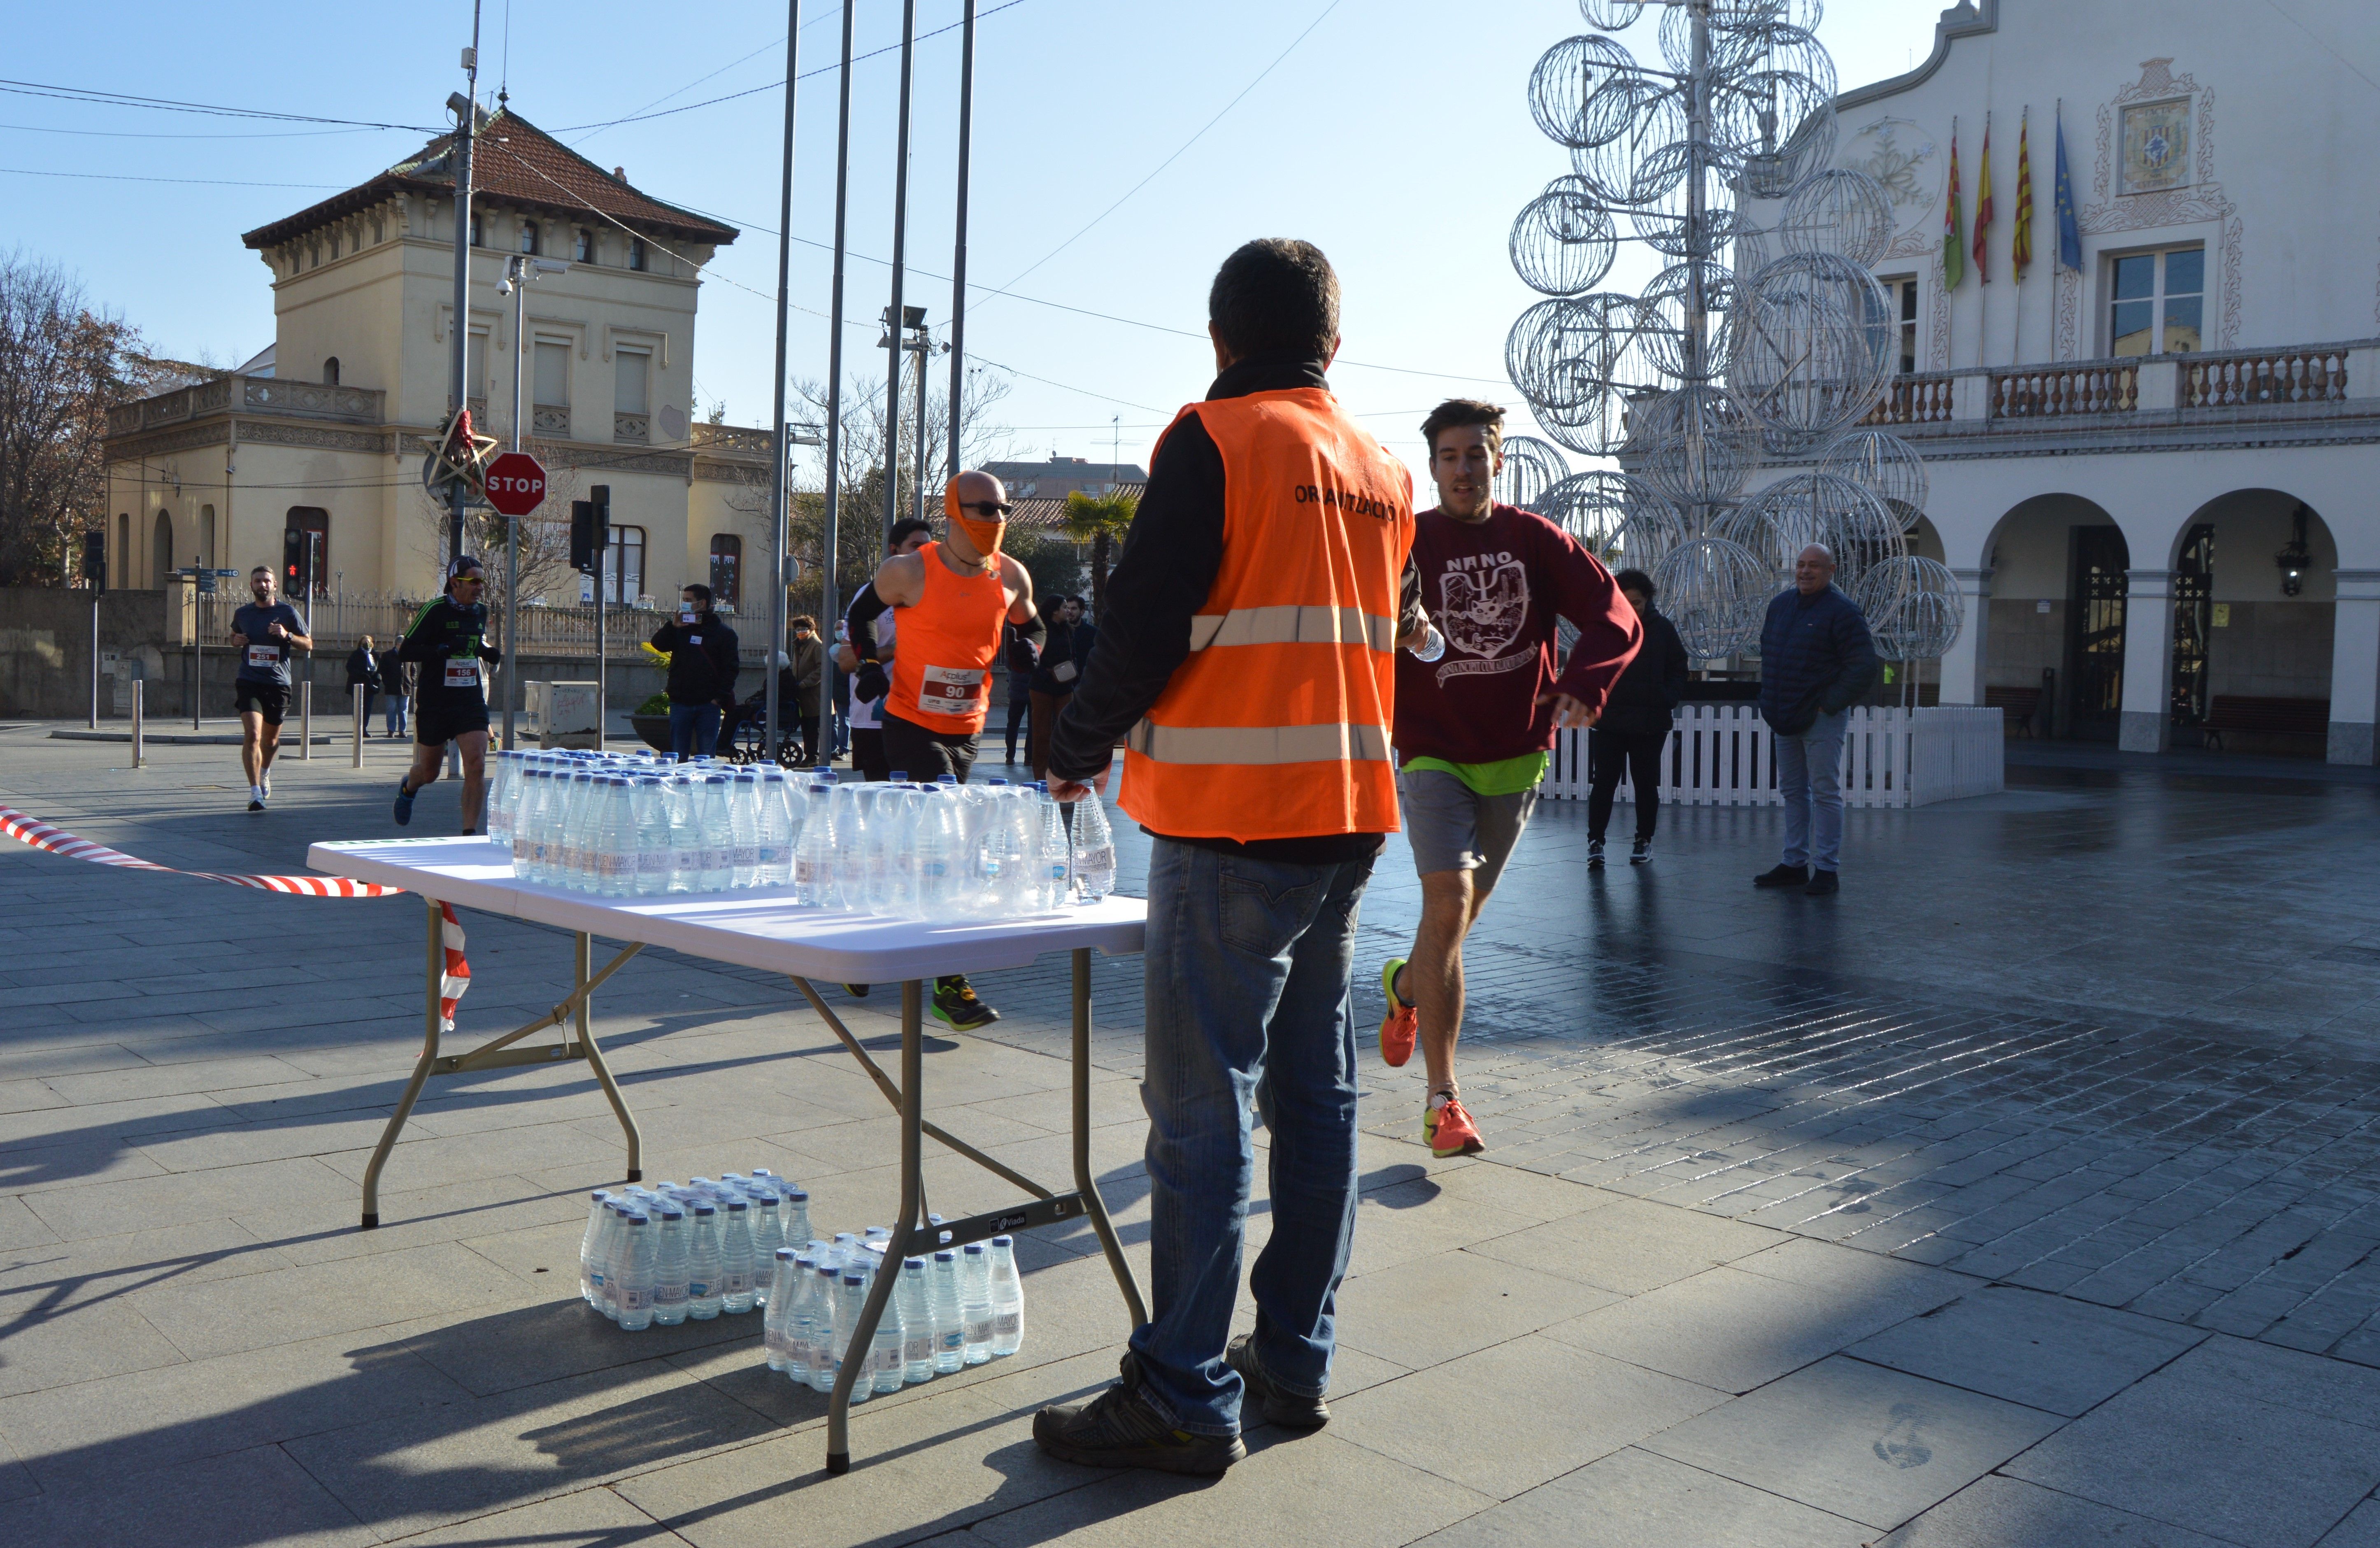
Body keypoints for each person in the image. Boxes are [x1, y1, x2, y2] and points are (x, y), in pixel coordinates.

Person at [1035, 238, 1426, 1474]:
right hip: (1351, 815)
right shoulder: (1381, 466)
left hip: (1230, 822)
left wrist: (1072, 744)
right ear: (1332, 342)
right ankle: (1290, 1358)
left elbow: (1143, 621)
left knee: (1200, 1111)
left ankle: (1181, 1390)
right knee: (1316, 1096)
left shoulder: (1215, 438)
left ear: (1218, 336)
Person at [1377, 400, 1639, 1161]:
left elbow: (1613, 613)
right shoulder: (1409, 541)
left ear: (1498, 460)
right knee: (1448, 901)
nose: (1464, 468)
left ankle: (1404, 992)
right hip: (1430, 749)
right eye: (1450, 456)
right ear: (1432, 467)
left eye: (1477, 454)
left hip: (1517, 752)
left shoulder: (1534, 538)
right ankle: (1442, 1101)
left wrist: (1585, 683)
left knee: (1453, 927)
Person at [839, 475, 1041, 1033]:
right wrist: (874, 667)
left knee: (917, 843)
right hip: (908, 721)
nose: (995, 517)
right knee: (949, 834)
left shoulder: (1011, 574)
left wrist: (1028, 647)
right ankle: (951, 985)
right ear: (953, 511)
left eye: (1004, 508)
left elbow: (1036, 626)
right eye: (983, 508)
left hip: (967, 727)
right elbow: (857, 620)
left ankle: (869, 942)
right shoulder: (909, 571)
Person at [1754, 543, 1878, 897]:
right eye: (1801, 565)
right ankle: (1794, 863)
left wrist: (1828, 705)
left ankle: (1826, 868)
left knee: (1824, 793)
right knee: (1793, 792)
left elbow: (1864, 666)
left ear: (1830, 570)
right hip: (1785, 714)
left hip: (1820, 718)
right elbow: (1769, 653)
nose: (1805, 571)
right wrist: (1769, 699)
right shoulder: (1780, 606)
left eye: (1814, 566)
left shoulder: (1843, 612)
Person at [392, 555, 503, 833]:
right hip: (435, 701)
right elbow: (404, 651)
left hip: (469, 699)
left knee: (476, 764)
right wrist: (438, 650)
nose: (480, 587)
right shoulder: (434, 610)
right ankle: (408, 787)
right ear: (455, 583)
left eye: (482, 581)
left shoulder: (480, 611)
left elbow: (472, 644)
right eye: (474, 581)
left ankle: (469, 833)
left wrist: (486, 652)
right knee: (429, 773)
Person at [1587, 569, 1688, 868]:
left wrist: (1666, 696)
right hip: (1611, 720)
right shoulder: (1605, 628)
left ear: (1648, 600)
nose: (1632, 608)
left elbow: (1678, 667)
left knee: (1645, 783)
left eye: (1638, 602)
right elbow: (1590, 667)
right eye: (1626, 601)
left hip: (1649, 722)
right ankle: (1595, 841)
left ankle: (1643, 840)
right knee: (1604, 783)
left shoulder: (1662, 629)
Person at [836, 519, 933, 781]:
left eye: (928, 547)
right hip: (876, 720)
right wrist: (899, 649)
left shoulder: (936, 594)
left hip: (924, 718)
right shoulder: (872, 596)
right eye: (915, 546)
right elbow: (845, 661)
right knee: (883, 807)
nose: (923, 553)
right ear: (895, 551)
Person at [226, 565, 312, 812]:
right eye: (257, 581)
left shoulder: (288, 612)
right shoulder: (243, 613)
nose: (262, 585)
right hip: (249, 680)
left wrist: (287, 636)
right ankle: (255, 794)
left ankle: (265, 771)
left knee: (271, 741)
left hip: (278, 684)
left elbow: (308, 645)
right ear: (251, 586)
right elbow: (233, 637)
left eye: (267, 581)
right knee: (253, 735)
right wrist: (236, 641)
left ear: (275, 586)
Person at [648, 584, 740, 762]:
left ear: (702, 603)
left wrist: (718, 699)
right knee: (678, 757)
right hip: (681, 702)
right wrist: (672, 627)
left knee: (705, 758)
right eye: (683, 600)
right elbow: (658, 644)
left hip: (709, 704)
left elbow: (731, 670)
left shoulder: (723, 634)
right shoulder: (681, 629)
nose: (684, 604)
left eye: (689, 601)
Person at [1027, 596, 1095, 780]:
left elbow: (1072, 654)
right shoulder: (1039, 629)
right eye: (1065, 607)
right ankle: (1040, 776)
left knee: (1066, 730)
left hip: (1065, 686)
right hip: (1042, 687)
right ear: (1054, 611)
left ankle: (1063, 772)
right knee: (1041, 733)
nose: (1068, 611)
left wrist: (1070, 674)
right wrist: (1047, 673)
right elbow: (1032, 657)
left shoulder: (1068, 630)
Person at [786, 615, 826, 764]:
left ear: (811, 629)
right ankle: (810, 755)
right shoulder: (800, 644)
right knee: (806, 726)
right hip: (803, 694)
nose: (800, 632)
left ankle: (813, 756)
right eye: (797, 630)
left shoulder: (817, 645)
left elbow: (822, 669)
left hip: (814, 695)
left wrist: (805, 683)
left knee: (812, 727)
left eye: (803, 629)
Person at [1000, 615, 1038, 765]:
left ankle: (1010, 755)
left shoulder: (1015, 641)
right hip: (1033, 689)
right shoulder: (1038, 643)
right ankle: (1029, 758)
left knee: (1013, 724)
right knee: (1032, 726)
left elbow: (1008, 664)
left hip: (1016, 690)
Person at [344, 634, 382, 736]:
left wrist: (377, 680)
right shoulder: (356, 655)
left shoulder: (375, 655)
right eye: (365, 642)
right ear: (361, 644)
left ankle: (364, 728)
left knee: (367, 709)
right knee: (358, 708)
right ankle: (358, 729)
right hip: (357, 686)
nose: (367, 644)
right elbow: (350, 668)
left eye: (369, 642)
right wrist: (361, 675)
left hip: (370, 687)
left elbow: (380, 669)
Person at [379, 640, 410, 739]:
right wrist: (387, 682)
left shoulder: (409, 655)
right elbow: (382, 670)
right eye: (403, 644)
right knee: (391, 709)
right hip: (391, 687)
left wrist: (411, 681)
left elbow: (413, 670)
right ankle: (391, 731)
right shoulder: (387, 655)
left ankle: (402, 731)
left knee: (403, 710)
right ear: (397, 644)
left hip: (405, 687)